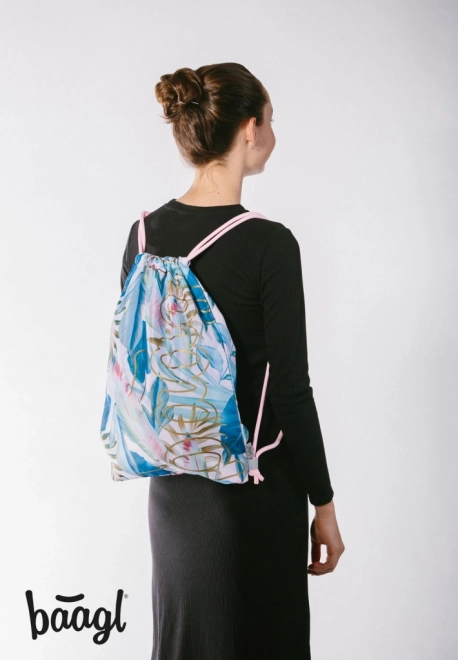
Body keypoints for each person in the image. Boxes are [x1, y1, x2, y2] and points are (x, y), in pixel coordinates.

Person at [120, 62, 345, 660]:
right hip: (253, 498)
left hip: (172, 501)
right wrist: (323, 503)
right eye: (270, 120)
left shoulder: (141, 237)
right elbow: (291, 392)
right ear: (249, 129)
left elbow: (140, 375)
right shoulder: (270, 244)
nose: (272, 133)